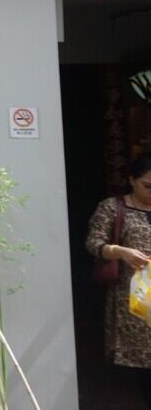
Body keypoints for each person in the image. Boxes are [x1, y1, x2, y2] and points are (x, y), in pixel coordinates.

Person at [86, 156, 151, 407]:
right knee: (144, 362)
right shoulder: (113, 207)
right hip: (134, 296)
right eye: (147, 185)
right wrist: (122, 252)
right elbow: (94, 243)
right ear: (131, 181)